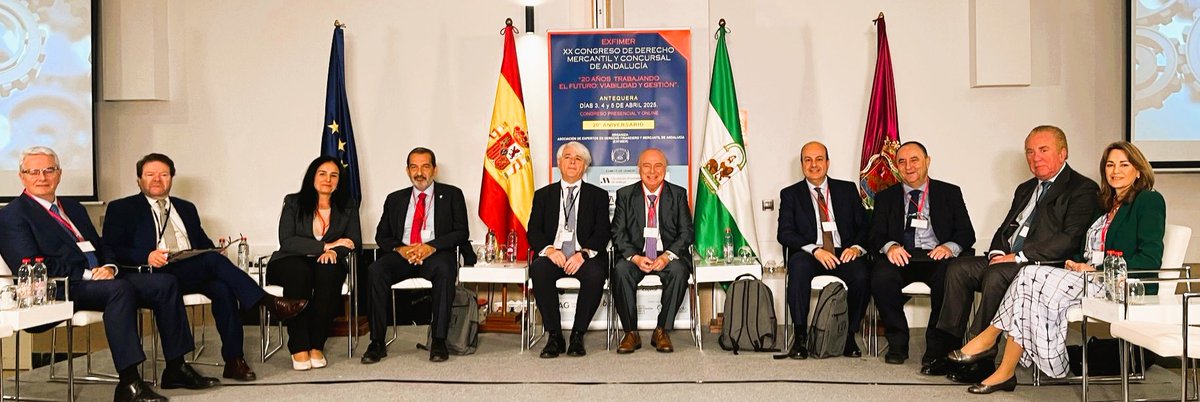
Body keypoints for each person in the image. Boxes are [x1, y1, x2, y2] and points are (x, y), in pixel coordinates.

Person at [947, 141, 1165, 394]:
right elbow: (1087, 248)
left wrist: (1097, 269)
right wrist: (1075, 263)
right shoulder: (1107, 205)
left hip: (1119, 285)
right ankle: (1003, 371)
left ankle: (989, 339)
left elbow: (1150, 259)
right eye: (1110, 164)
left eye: (1124, 165)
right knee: (1026, 287)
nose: (1115, 171)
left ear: (1138, 170)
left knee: (1028, 276)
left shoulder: (1148, 201)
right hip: (1090, 279)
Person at [0, 146, 214, 402]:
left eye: (48, 170)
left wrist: (110, 266)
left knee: (165, 283)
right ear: (21, 176)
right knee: (119, 290)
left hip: (102, 276)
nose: (42, 177)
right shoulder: (12, 215)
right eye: (33, 172)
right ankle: (129, 382)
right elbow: (33, 266)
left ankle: (176, 367)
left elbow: (102, 245)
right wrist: (90, 274)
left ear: (59, 173)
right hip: (62, 286)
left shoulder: (73, 207)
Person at [103, 153, 309, 381]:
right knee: (213, 264)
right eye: (150, 175)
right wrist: (146, 255)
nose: (157, 180)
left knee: (222, 287)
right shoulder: (122, 208)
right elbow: (111, 249)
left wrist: (214, 251)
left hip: (187, 269)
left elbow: (202, 244)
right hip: (153, 273)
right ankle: (267, 302)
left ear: (172, 178)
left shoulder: (186, 208)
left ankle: (234, 360)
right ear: (139, 179)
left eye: (163, 174)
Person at [935, 125, 1100, 383]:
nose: (1036, 158)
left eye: (1043, 150)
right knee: (959, 268)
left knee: (998, 274)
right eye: (1030, 152)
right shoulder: (1026, 188)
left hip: (1044, 266)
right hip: (1009, 259)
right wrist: (999, 251)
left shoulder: (1082, 188)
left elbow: (1069, 240)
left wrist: (1017, 257)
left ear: (1063, 153)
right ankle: (947, 346)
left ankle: (982, 353)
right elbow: (1006, 228)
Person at [867, 141, 975, 366]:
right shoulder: (886, 197)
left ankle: (937, 348)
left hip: (937, 256)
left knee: (950, 279)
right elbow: (874, 235)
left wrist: (949, 247)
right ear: (896, 166)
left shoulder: (949, 192)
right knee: (880, 278)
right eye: (902, 162)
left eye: (914, 160)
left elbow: (966, 233)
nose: (909, 167)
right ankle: (897, 343)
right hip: (902, 256)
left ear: (927, 161)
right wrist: (890, 247)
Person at [361, 147, 468, 363]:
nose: (419, 172)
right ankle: (377, 342)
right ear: (407, 171)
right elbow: (382, 236)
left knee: (446, 269)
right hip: (404, 254)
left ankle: (438, 340)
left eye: (425, 166)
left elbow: (461, 232)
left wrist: (431, 247)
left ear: (435, 170)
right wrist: (402, 249)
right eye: (414, 167)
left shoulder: (452, 194)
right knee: (375, 270)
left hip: (435, 255)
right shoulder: (395, 199)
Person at [266, 156, 361, 370]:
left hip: (327, 262)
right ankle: (299, 345)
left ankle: (317, 343)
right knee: (300, 274)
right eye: (322, 174)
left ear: (339, 182)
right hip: (288, 262)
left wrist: (335, 251)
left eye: (333, 175)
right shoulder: (293, 202)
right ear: (312, 177)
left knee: (328, 273)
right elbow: (287, 241)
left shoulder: (348, 206)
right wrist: (325, 246)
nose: (328, 179)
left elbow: (353, 240)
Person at [776, 141, 870, 359]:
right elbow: (785, 233)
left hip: (843, 251)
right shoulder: (790, 194)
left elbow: (865, 227)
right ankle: (800, 337)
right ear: (801, 164)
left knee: (862, 274)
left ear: (827, 163)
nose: (814, 164)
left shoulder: (847, 190)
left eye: (819, 159)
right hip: (811, 253)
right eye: (808, 160)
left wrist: (856, 248)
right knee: (797, 269)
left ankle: (848, 336)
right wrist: (815, 250)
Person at [527, 142, 610, 358]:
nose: (572, 162)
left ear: (585, 167)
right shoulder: (543, 195)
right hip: (554, 255)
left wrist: (583, 255)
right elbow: (533, 231)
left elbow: (603, 233)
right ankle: (554, 336)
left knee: (596, 274)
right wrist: (549, 250)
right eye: (568, 157)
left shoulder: (598, 196)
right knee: (539, 269)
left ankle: (577, 335)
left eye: (578, 159)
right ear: (559, 163)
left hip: (583, 256)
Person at [611, 148, 694, 354]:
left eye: (658, 166)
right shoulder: (625, 195)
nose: (652, 171)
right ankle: (631, 332)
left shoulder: (677, 194)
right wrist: (636, 258)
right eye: (647, 166)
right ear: (638, 169)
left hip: (667, 254)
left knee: (678, 271)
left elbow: (686, 233)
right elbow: (617, 233)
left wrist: (666, 257)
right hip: (637, 255)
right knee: (620, 271)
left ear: (665, 170)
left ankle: (662, 330)